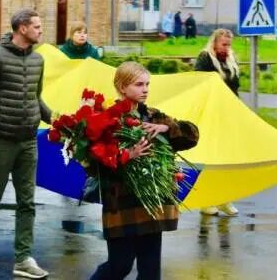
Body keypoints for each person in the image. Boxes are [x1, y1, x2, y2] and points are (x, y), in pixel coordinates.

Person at [90, 61, 199, 280]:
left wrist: (167, 128)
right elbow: (94, 164)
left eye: (147, 84)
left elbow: (192, 135)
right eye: (139, 84)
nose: (146, 89)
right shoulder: (108, 120)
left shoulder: (153, 116)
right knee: (119, 265)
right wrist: (127, 156)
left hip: (152, 205)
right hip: (121, 205)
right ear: (122, 87)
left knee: (150, 271)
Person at [0, 9, 53, 278]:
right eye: (37, 26)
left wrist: (58, 121)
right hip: (0, 140)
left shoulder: (39, 60)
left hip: (29, 140)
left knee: (27, 202)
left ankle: (23, 258)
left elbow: (34, 98)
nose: (41, 30)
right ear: (22, 28)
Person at [194, 29, 239, 216]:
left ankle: (224, 199)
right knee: (210, 158)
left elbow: (235, 87)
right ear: (214, 43)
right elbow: (199, 84)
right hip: (210, 114)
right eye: (224, 44)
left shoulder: (230, 60)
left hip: (227, 114)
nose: (227, 48)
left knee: (227, 158)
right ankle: (206, 200)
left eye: (229, 45)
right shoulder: (205, 58)